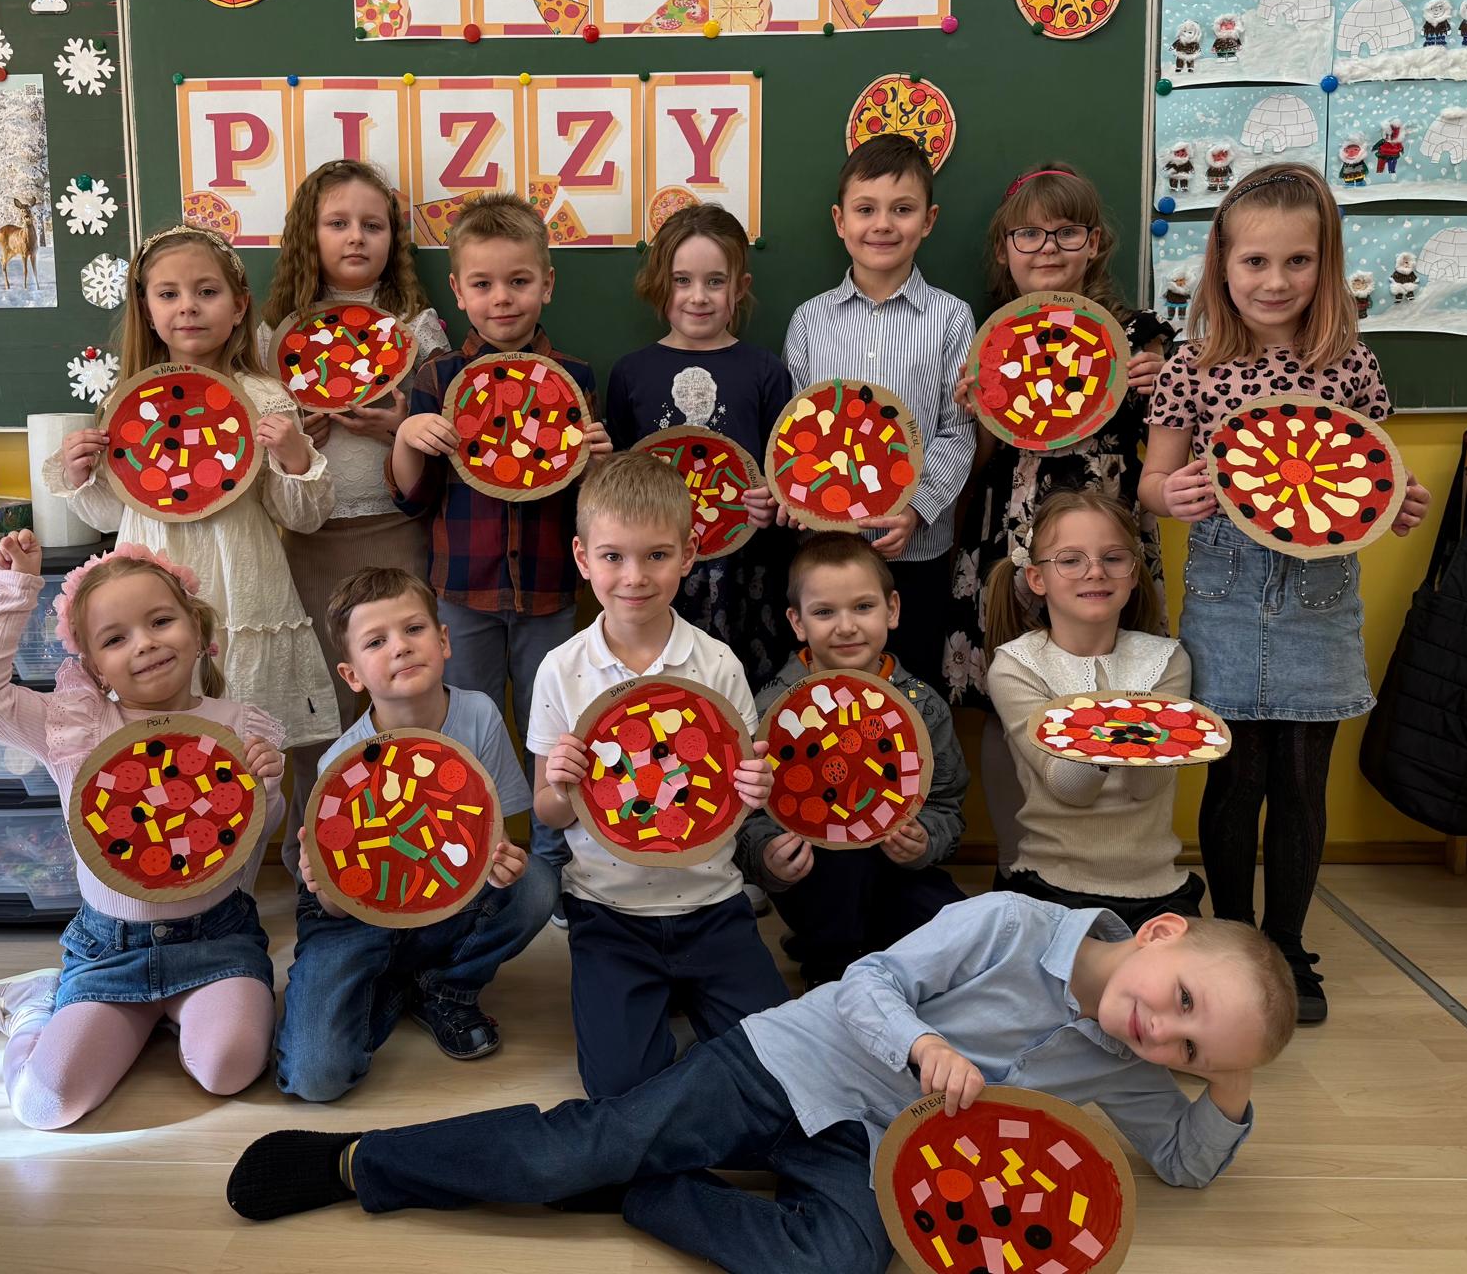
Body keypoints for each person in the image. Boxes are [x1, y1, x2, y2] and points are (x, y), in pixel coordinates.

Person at [227, 893, 1298, 1274]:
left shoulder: (1129, 1061)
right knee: (573, 1147)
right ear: (1160, 933)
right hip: (791, 1060)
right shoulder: (1011, 924)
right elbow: (870, 982)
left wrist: (1231, 1082)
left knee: (837, 1261)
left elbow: (1182, 1165)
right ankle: (361, 1163)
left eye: (1191, 1051)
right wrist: (922, 1047)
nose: (1162, 1034)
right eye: (1182, 1003)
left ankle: (643, 1186)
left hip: (877, 1154)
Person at [1141, 163, 1432, 1021]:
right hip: (1227, 594)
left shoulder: (1351, 365)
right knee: (1236, 780)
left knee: (1303, 783)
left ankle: (1290, 947)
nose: (1275, 281)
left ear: (1326, 264)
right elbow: (1152, 482)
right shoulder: (1193, 368)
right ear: (1221, 266)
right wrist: (1171, 495)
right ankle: (1236, 943)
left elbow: (1375, 477)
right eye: (1255, 262)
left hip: (1319, 600)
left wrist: (1401, 502)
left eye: (1297, 261)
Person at [0, 534, 285, 1129]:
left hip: (216, 941)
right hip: (108, 952)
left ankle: (175, 1017)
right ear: (93, 666)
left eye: (161, 621)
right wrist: (16, 588)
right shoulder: (73, 725)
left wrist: (268, 790)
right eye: (115, 639)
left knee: (229, 1069)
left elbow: (253, 843)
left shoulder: (239, 724)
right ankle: (37, 1005)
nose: (144, 643)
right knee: (45, 1106)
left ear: (196, 628)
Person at [525, 452, 789, 1097]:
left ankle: (683, 1005)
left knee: (780, 1071)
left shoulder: (716, 664)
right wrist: (559, 782)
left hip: (712, 903)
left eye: (657, 555)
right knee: (620, 1089)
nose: (634, 577)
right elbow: (546, 812)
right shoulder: (561, 669)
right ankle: (663, 1006)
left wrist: (756, 790)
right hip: (608, 911)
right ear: (583, 558)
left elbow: (741, 795)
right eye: (613, 557)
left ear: (689, 553)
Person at [945, 165, 1173, 889]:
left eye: (1066, 231)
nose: (1047, 247)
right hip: (1012, 540)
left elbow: (1170, 445)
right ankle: (1020, 867)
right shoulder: (990, 338)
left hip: (1103, 540)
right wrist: (978, 413)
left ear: (1094, 242)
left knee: (1109, 684)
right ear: (1004, 248)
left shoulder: (1139, 336)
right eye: (1029, 234)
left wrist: (1161, 386)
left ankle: (1108, 863)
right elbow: (983, 463)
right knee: (1006, 696)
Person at [43, 223, 341, 756]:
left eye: (207, 291)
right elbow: (109, 515)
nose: (188, 307)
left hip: (241, 576)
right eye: (168, 294)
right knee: (161, 733)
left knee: (248, 743)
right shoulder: (127, 402)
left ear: (239, 306)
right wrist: (78, 473)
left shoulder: (263, 397)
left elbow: (301, 517)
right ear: (147, 310)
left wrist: (295, 459)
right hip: (150, 573)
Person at [388, 192, 612, 896]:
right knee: (466, 726)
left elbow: (589, 505)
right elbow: (412, 498)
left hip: (549, 592)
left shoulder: (575, 379)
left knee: (553, 731)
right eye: (483, 284)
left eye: (518, 281)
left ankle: (551, 863)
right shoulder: (437, 379)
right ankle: (471, 857)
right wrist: (407, 438)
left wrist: (598, 464)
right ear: (458, 291)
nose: (502, 298)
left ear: (548, 283)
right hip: (463, 593)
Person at [274, 566, 559, 1101]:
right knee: (317, 1077)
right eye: (376, 642)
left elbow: (496, 839)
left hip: (445, 889)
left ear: (443, 640)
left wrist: (505, 865)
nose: (400, 647)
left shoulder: (479, 715)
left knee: (537, 883)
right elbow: (335, 905)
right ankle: (391, 986)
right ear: (352, 674)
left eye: (413, 629)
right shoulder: (341, 763)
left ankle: (443, 989)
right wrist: (324, 887)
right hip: (353, 915)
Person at [258, 160, 452, 879]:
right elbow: (258, 437)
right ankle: (319, 857)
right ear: (308, 235)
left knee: (403, 693)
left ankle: (415, 845)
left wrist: (400, 424)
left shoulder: (415, 328)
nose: (356, 237)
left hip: (399, 534)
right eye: (337, 223)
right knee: (324, 700)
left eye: (373, 225)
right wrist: (293, 431)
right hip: (311, 541)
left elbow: (445, 427)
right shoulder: (277, 336)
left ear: (393, 239)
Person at [782, 133, 975, 695]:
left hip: (913, 553)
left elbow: (956, 430)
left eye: (902, 209)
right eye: (866, 210)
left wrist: (916, 508)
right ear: (840, 221)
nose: (883, 225)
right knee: (828, 696)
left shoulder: (951, 318)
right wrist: (796, 494)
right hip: (826, 555)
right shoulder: (810, 321)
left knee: (912, 695)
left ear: (929, 220)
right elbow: (795, 432)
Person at [736, 533, 966, 987]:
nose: (846, 627)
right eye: (824, 612)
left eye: (863, 607)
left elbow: (947, 806)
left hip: (897, 872)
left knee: (955, 923)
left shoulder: (924, 708)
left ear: (892, 610)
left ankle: (872, 953)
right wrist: (767, 857)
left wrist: (924, 842)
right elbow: (748, 813)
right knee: (838, 909)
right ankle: (830, 965)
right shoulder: (769, 710)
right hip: (817, 878)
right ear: (797, 622)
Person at [984, 489, 1205, 930]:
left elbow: (1148, 784)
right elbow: (1070, 788)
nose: (1095, 571)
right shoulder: (1016, 665)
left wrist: (1104, 732)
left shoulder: (1167, 660)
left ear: (1134, 572)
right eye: (1070, 560)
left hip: (1158, 886)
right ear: (1037, 578)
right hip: (1053, 884)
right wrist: (1126, 729)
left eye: (1113, 558)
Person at [605, 202, 793, 692]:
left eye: (715, 281)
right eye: (682, 280)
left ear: (740, 287)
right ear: (660, 284)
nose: (698, 296)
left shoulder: (765, 371)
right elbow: (615, 480)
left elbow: (784, 473)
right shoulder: (630, 373)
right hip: (654, 568)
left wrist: (773, 500)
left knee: (740, 689)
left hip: (744, 572)